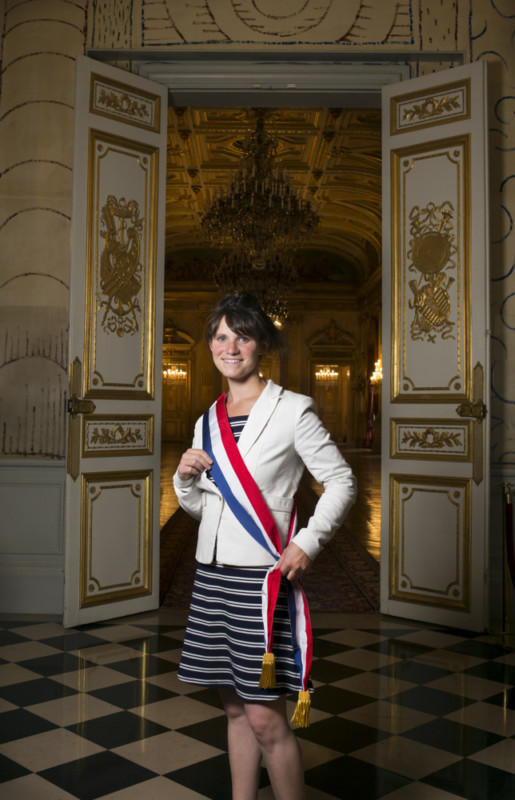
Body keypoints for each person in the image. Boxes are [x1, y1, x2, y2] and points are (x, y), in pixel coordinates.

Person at [174, 291, 356, 800]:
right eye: (220, 336)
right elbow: (206, 507)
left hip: (260, 579)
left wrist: (306, 543)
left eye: (242, 336)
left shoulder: (293, 410)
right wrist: (185, 480)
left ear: (261, 346)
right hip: (213, 575)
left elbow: (341, 481)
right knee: (234, 707)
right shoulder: (207, 418)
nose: (229, 347)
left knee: (264, 716)